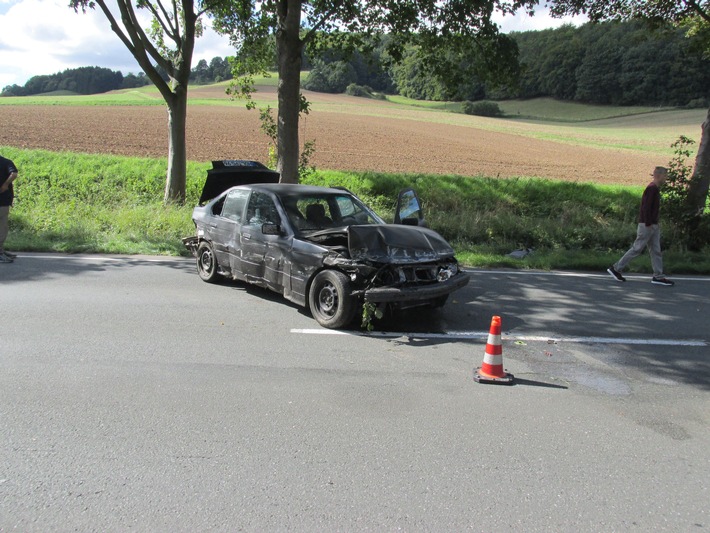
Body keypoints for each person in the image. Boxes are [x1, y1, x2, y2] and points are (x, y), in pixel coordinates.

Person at [607, 166, 674, 286]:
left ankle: (658, 276)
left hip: (652, 224)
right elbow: (646, 208)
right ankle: (616, 268)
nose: (666, 178)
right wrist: (648, 223)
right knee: (637, 248)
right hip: (647, 225)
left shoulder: (655, 189)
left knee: (656, 251)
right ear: (659, 175)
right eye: (665, 176)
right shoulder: (652, 189)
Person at [0, 153, 19, 263]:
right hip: (2, 201)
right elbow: (14, 173)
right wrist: (5, 185)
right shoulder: (6, 162)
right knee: (2, 227)